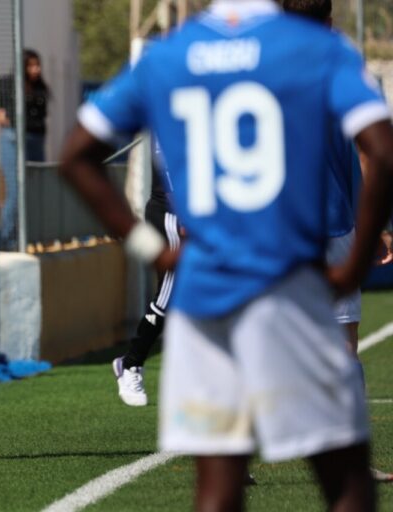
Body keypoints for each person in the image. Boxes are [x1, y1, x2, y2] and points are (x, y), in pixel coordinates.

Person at [59, 0, 393, 510]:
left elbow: (75, 155)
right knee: (345, 481)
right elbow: (382, 151)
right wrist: (354, 264)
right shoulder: (314, 47)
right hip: (290, 283)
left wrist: (155, 251)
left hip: (205, 300)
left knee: (217, 490)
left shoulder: (170, 53)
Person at [282, 0, 393, 484]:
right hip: (334, 225)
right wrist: (379, 224)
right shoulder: (339, 66)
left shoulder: (258, 64)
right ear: (329, 20)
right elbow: (373, 153)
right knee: (343, 346)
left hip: (272, 227)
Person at [112, 142, 177, 407]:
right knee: (169, 293)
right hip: (171, 213)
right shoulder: (170, 105)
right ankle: (130, 365)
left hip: (205, 214)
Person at [0, 49, 51, 250]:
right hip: (14, 139)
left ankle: (29, 237)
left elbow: (41, 116)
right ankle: (7, 242)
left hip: (35, 139)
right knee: (16, 192)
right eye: (31, 65)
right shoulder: (8, 83)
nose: (36, 70)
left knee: (35, 190)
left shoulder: (40, 87)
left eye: (38, 65)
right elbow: (2, 115)